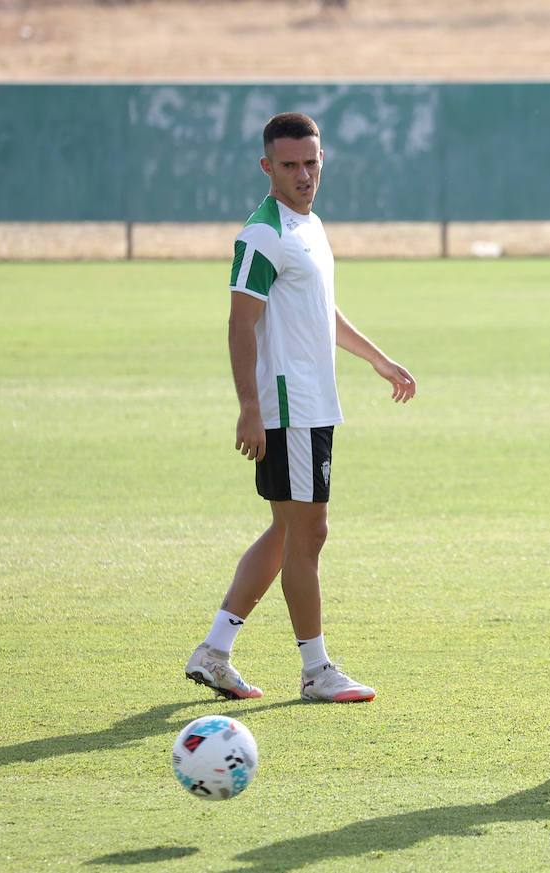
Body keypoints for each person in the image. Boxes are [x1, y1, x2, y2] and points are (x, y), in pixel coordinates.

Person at [185, 112, 417, 704]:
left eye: (311, 162)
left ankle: (214, 651)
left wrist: (378, 359)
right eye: (289, 165)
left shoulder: (309, 225)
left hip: (314, 405)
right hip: (286, 409)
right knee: (308, 533)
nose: (304, 174)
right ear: (267, 167)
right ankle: (316, 670)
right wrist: (249, 408)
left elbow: (323, 312)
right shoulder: (263, 234)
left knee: (289, 534)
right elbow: (241, 324)